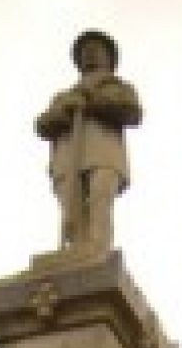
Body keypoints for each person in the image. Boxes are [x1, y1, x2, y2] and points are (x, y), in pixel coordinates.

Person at [35, 30, 142, 254]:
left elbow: (133, 113)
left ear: (109, 59)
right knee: (71, 207)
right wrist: (64, 111)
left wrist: (93, 101)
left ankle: (97, 248)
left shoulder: (118, 87)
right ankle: (75, 249)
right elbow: (42, 125)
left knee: (100, 196)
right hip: (67, 158)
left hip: (104, 154)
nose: (90, 55)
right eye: (84, 52)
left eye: (96, 50)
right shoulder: (64, 96)